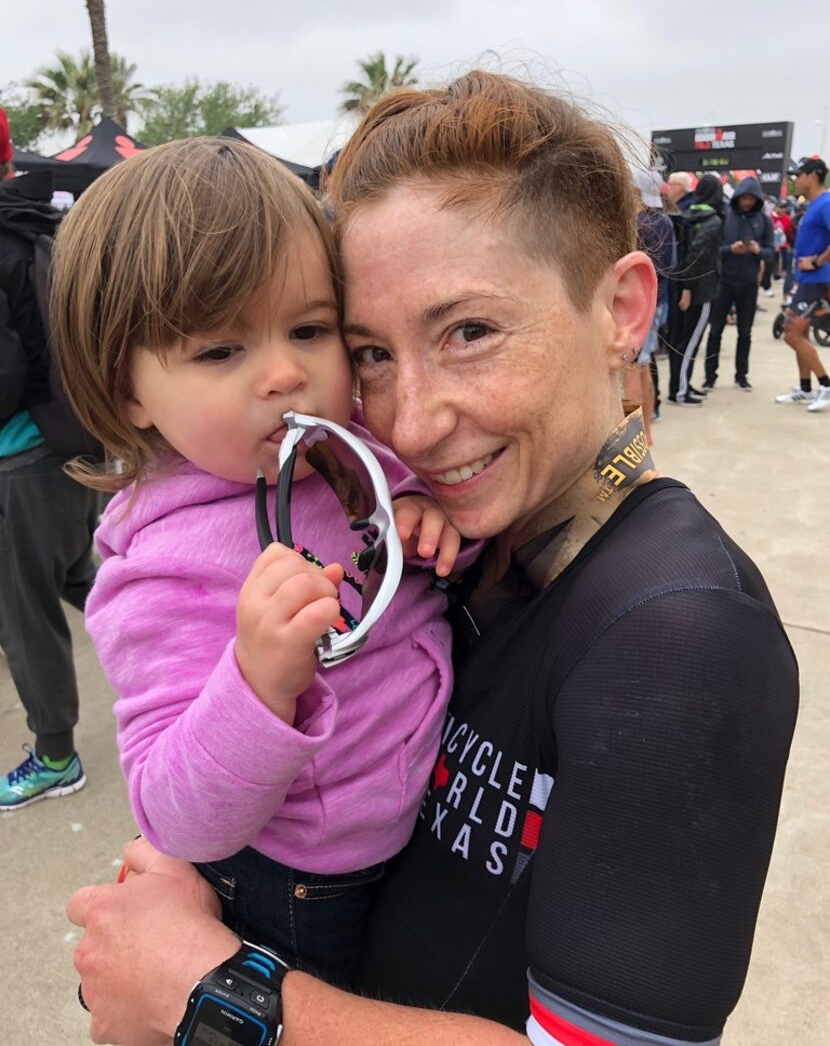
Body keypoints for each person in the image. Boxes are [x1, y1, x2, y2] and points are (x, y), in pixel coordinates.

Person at [66, 72, 798, 1046]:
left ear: (623, 308)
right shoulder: (436, 528)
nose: (407, 420)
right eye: (369, 351)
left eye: (469, 332)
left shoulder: (676, 630)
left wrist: (208, 993)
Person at [49, 136, 466, 985]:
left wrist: (427, 516)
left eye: (310, 328)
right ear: (129, 390)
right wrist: (256, 680)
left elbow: (467, 539)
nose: (285, 372)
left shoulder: (359, 457)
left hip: (426, 833)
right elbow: (176, 816)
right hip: (303, 887)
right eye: (218, 350)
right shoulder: (159, 571)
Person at [0, 170, 101, 809]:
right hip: (69, 440)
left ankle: (56, 756)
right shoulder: (33, 219)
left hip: (20, 456)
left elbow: (4, 370)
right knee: (76, 577)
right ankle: (200, 652)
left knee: (23, 612)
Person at [702, 176, 773, 392]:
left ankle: (742, 375)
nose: (747, 202)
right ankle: (710, 376)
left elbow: (771, 252)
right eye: (744, 198)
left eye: (751, 199)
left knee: (745, 332)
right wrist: (730, 249)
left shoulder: (764, 220)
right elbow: (713, 250)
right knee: (716, 330)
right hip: (724, 281)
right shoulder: (724, 216)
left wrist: (757, 250)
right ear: (738, 197)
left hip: (749, 283)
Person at [775, 156, 830, 412]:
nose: (795, 180)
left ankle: (826, 385)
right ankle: (805, 388)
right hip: (805, 280)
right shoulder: (813, 205)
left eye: (799, 175)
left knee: (791, 333)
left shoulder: (826, 202)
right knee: (802, 333)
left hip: (816, 280)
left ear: (813, 175)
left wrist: (817, 262)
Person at [668, 174, 723, 404]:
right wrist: (689, 288)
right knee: (689, 342)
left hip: (681, 286)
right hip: (699, 290)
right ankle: (680, 391)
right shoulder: (713, 221)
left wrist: (683, 286)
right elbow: (698, 255)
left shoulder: (687, 215)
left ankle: (681, 385)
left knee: (680, 339)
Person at [632, 167, 674, 438]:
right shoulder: (664, 221)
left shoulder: (640, 222)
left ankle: (638, 435)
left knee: (632, 369)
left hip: (642, 304)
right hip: (657, 301)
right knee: (643, 366)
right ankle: (645, 432)